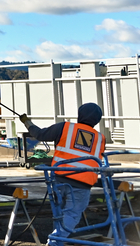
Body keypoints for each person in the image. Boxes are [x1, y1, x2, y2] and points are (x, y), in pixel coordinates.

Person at [20, 103, 105, 245]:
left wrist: (27, 122)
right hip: (82, 183)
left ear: (80, 115)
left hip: (59, 179)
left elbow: (40, 134)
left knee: (59, 214)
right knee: (71, 215)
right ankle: (54, 242)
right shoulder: (100, 138)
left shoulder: (65, 127)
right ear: (97, 120)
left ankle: (56, 241)